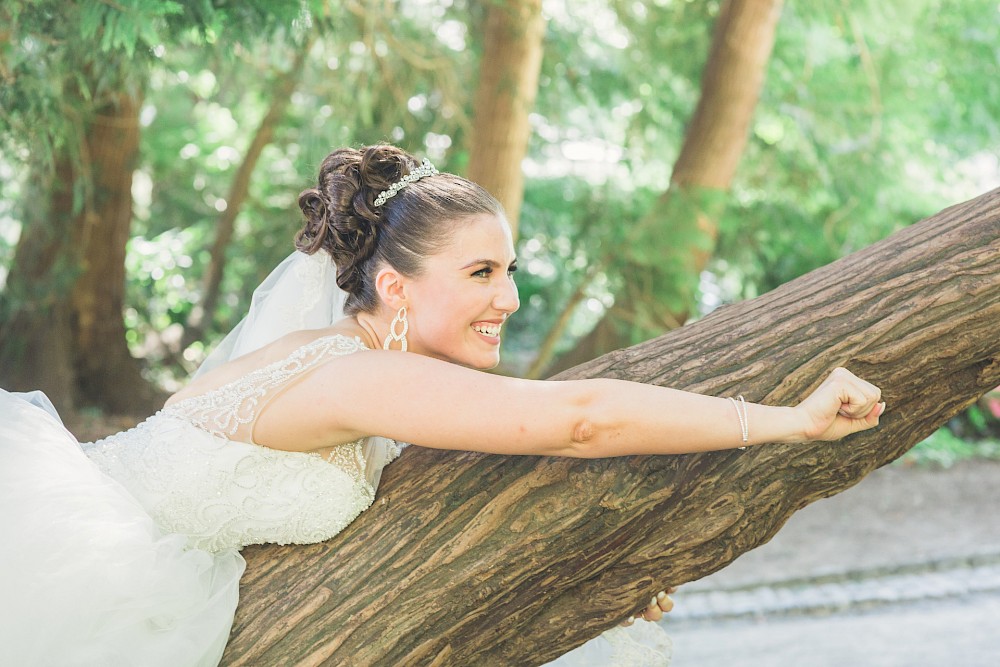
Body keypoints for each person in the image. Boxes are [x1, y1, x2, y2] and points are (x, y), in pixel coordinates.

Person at [0, 145, 885, 667]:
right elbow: (577, 419)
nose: (506, 295)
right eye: (479, 273)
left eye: (509, 269)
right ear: (393, 285)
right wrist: (789, 420)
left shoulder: (348, 366)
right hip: (99, 585)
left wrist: (600, 576)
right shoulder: (355, 374)